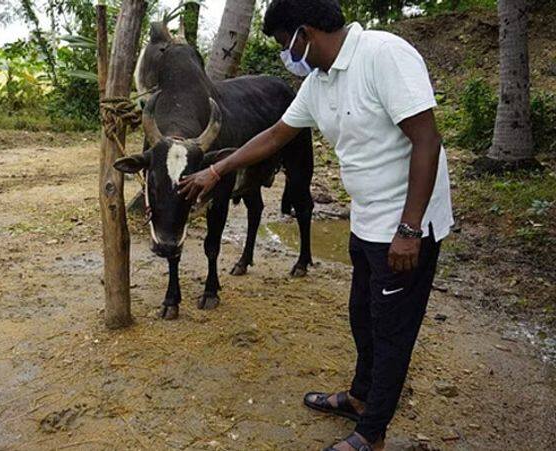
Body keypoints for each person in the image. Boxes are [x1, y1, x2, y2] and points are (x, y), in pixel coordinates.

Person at [178, 0, 454, 449]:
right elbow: (274, 136)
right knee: (362, 315)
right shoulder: (319, 83)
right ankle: (361, 397)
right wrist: (217, 170)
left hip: (406, 223)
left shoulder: (384, 55)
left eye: (282, 43)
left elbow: (427, 141)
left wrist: (410, 230)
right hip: (366, 219)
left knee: (391, 330)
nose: (284, 53)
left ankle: (372, 433)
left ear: (303, 33)